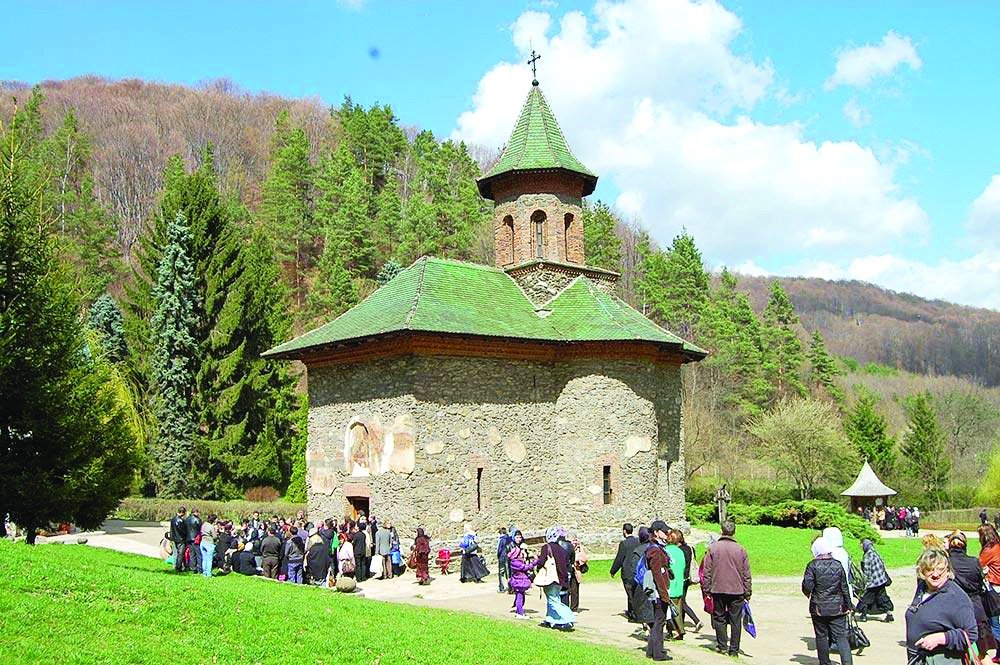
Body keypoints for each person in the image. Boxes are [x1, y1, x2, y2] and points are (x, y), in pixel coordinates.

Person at [906, 547, 978, 663]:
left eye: (940, 569)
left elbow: (971, 634)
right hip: (918, 657)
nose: (935, 574)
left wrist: (941, 638)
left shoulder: (956, 597)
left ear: (948, 570)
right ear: (922, 571)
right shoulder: (923, 587)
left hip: (940, 660)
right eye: (930, 569)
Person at [702, 520, 752, 657]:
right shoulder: (741, 550)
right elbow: (746, 573)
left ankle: (722, 645)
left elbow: (707, 571)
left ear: (721, 530)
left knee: (719, 618)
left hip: (718, 588)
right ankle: (734, 649)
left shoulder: (713, 548)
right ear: (734, 531)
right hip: (737, 590)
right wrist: (747, 591)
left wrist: (706, 589)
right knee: (736, 620)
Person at [802, 536, 854, 665]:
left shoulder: (812, 565)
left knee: (821, 637)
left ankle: (824, 662)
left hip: (818, 608)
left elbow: (807, 586)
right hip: (838, 608)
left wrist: (807, 592)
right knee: (841, 637)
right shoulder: (838, 564)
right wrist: (849, 605)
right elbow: (844, 587)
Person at [947, 531, 995, 663]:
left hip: (954, 610)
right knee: (983, 654)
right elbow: (980, 582)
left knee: (957, 656)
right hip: (976, 608)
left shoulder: (945, 563)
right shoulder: (974, 562)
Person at [532, 526, 575, 630]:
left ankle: (568, 618)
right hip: (560, 579)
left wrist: (537, 564)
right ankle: (550, 619)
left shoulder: (546, 548)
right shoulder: (561, 549)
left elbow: (541, 562)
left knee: (553, 600)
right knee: (553, 598)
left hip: (551, 578)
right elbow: (567, 563)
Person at [645, 520, 674, 661]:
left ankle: (652, 651)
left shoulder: (657, 548)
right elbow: (657, 573)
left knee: (658, 620)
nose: (667, 533)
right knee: (659, 621)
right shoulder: (655, 550)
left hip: (659, 590)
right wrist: (664, 594)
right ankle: (658, 653)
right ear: (656, 532)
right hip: (658, 591)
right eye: (664, 531)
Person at [857, 539, 894, 622]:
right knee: (882, 598)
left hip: (873, 583)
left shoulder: (867, 556)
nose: (860, 547)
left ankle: (863, 616)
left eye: (861, 545)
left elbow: (867, 573)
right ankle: (889, 614)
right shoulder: (875, 553)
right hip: (881, 581)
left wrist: (865, 584)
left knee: (866, 599)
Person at [611, 523, 641, 621]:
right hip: (637, 570)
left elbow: (620, 558)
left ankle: (633, 614)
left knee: (630, 594)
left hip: (627, 572)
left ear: (624, 531)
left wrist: (613, 570)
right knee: (635, 593)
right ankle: (634, 612)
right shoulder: (638, 541)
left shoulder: (624, 544)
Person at [677, 530, 703, 631]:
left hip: (681, 578)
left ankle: (696, 621)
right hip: (687, 578)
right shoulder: (689, 548)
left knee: (681, 602)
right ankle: (681, 623)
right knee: (683, 600)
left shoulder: (679, 550)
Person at [979, 524, 1000, 647]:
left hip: (994, 585)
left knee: (994, 622)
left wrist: (985, 570)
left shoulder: (989, 550)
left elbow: (979, 565)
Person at [664, 529, 687, 641]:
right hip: (679, 582)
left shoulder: (665, 551)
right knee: (677, 607)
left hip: (669, 584)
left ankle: (672, 630)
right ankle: (680, 630)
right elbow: (682, 567)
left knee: (668, 610)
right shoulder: (680, 551)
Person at [631, 527, 655, 628]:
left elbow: (633, 570)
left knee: (646, 610)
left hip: (643, 584)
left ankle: (650, 631)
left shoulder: (638, 551)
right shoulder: (655, 548)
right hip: (655, 582)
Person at [508, 535, 532, 618]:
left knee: (521, 596)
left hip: (521, 579)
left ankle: (520, 611)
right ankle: (519, 612)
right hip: (518, 580)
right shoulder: (515, 562)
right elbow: (524, 567)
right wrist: (535, 562)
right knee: (519, 596)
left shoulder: (519, 560)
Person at [556, 528, 576, 608]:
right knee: (565, 591)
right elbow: (572, 560)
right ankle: (565, 608)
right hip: (567, 570)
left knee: (556, 590)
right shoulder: (569, 545)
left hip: (557, 570)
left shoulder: (554, 545)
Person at [570, 532, 589, 612]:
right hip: (569, 569)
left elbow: (585, 558)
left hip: (576, 570)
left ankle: (574, 608)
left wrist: (578, 560)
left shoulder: (580, 548)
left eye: (575, 540)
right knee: (567, 590)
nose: (574, 542)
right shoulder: (568, 547)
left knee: (575, 590)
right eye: (572, 540)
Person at [169, 507, 188, 573]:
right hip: (181, 539)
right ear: (183, 512)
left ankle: (176, 565)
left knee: (175, 553)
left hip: (174, 538)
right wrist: (185, 536)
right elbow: (182, 531)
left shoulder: (173, 519)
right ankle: (178, 567)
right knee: (180, 554)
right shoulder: (180, 521)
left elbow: (171, 529)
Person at [199, 514, 218, 578]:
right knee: (209, 560)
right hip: (209, 543)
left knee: (204, 559)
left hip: (203, 542)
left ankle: (204, 573)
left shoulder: (204, 524)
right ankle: (209, 574)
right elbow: (215, 536)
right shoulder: (211, 527)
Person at [496, 527, 514, 593]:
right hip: (509, 557)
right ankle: (510, 586)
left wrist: (498, 556)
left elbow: (499, 550)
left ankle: (502, 587)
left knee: (502, 573)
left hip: (502, 557)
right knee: (508, 572)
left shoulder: (501, 540)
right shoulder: (509, 539)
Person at [185, 508, 202, 574]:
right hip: (196, 539)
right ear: (196, 512)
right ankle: (200, 568)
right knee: (198, 554)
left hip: (188, 538)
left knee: (192, 554)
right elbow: (200, 529)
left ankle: (193, 568)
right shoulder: (198, 520)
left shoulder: (187, 519)